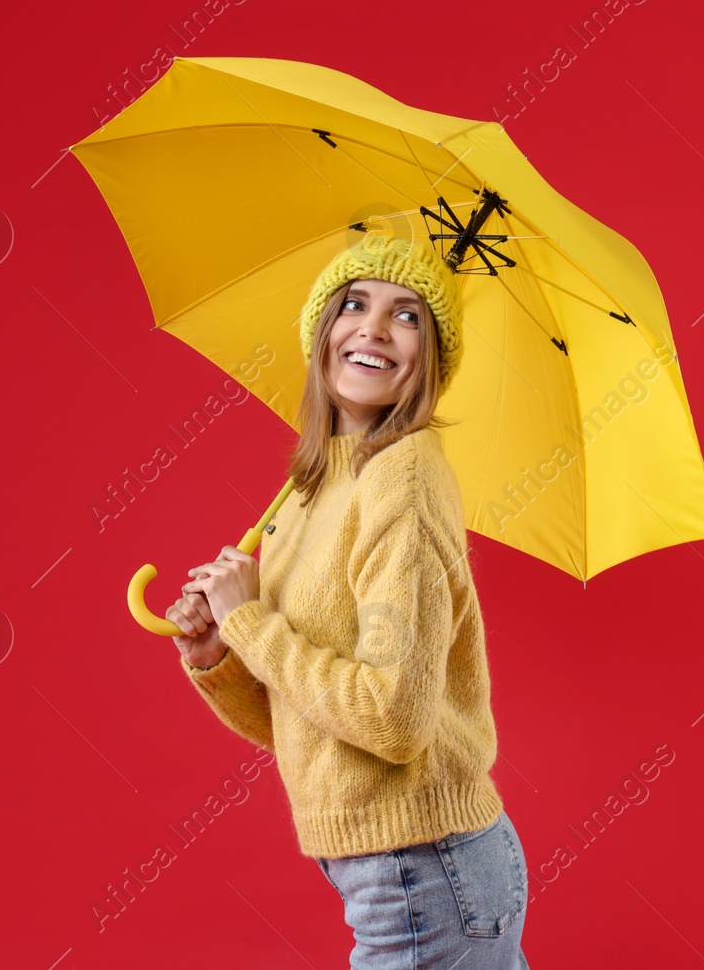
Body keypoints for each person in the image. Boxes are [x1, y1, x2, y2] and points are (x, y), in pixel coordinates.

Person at [166, 230, 532, 969]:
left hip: (422, 869)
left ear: (431, 360)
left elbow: (394, 720)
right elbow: (315, 727)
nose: (372, 327)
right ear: (322, 329)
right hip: (394, 869)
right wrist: (219, 654)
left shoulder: (404, 481)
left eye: (408, 316)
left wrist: (250, 621)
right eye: (355, 303)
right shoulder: (313, 486)